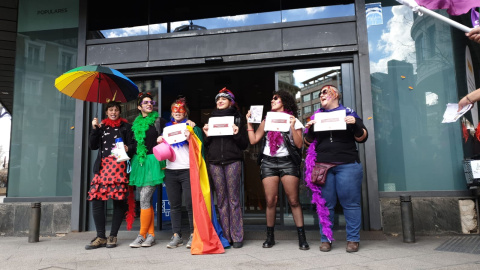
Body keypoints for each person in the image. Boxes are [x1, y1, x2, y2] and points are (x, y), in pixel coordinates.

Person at [304, 85, 368, 253]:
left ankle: (353, 239)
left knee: (351, 203)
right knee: (325, 204)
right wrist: (310, 129)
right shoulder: (317, 116)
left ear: (335, 95)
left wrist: (354, 125)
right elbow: (307, 143)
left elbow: (362, 138)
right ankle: (326, 239)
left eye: (325, 91)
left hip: (347, 164)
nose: (321, 95)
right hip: (323, 165)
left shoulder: (349, 113)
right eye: (320, 93)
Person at [246, 90, 309, 250]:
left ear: (284, 101)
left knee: (293, 201)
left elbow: (300, 144)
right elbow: (254, 140)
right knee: (270, 201)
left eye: (276, 98)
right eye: (272, 98)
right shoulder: (267, 120)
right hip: (268, 162)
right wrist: (248, 123)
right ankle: (270, 237)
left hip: (288, 162)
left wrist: (293, 126)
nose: (272, 100)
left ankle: (302, 237)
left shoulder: (292, 120)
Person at [202, 87, 248, 248]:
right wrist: (206, 135)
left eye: (223, 98)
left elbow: (244, 144)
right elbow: (207, 145)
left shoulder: (238, 119)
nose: (220, 101)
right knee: (221, 200)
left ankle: (237, 236)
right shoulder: (211, 119)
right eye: (218, 99)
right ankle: (226, 236)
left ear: (231, 102)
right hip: (214, 162)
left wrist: (236, 133)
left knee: (234, 199)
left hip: (233, 161)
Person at [85, 101, 134, 250]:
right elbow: (93, 146)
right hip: (102, 168)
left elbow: (134, 145)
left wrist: (128, 147)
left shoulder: (126, 127)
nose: (113, 112)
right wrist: (94, 129)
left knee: (118, 201)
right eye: (111, 110)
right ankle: (101, 236)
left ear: (120, 112)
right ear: (106, 112)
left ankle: (113, 235)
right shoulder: (101, 127)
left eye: (116, 110)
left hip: (118, 167)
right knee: (96, 200)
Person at [158, 96, 201, 249]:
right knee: (174, 205)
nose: (177, 111)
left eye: (180, 109)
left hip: (187, 169)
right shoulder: (167, 128)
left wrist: (191, 135)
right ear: (171, 112)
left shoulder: (190, 126)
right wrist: (160, 140)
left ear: (185, 112)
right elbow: (166, 149)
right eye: (174, 109)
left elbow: (198, 147)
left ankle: (193, 234)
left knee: (190, 204)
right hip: (170, 171)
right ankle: (176, 235)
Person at [129, 92, 167, 248]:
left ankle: (141, 235)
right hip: (140, 162)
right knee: (145, 200)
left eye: (151, 102)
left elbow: (172, 133)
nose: (149, 104)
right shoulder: (135, 123)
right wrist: (127, 147)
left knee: (144, 198)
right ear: (139, 107)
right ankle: (151, 235)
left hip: (153, 161)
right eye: (145, 102)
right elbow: (134, 144)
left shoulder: (159, 121)